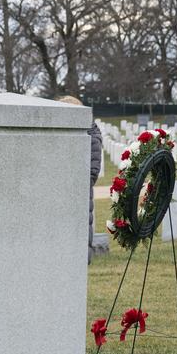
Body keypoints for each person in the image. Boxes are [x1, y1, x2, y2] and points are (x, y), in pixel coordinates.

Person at [56, 95, 104, 263]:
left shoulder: (91, 136)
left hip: (78, 204)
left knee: (75, 258)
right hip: (57, 206)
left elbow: (91, 174)